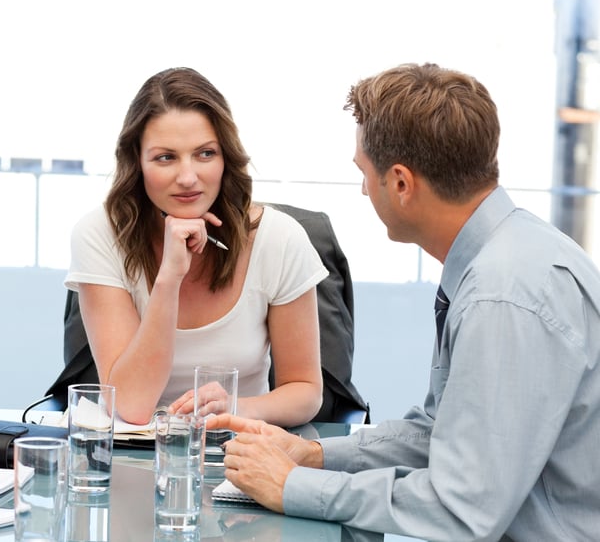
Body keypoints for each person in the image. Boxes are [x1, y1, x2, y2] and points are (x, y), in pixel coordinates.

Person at [210, 63, 600, 541]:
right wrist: (313, 455)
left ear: (400, 183)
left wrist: (294, 486)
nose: (362, 189)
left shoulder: (502, 296)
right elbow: (440, 434)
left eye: (364, 173)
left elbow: (462, 510)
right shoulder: (508, 255)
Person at [66, 67, 327, 425]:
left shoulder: (280, 239)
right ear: (137, 163)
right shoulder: (99, 234)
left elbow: (305, 390)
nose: (188, 178)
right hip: (135, 455)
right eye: (165, 157)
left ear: (226, 157)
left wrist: (234, 408)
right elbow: (131, 405)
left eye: (205, 154)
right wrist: (169, 277)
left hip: (237, 450)